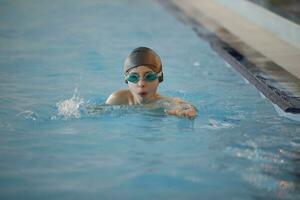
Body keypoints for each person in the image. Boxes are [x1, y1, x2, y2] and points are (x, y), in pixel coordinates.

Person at [105, 47, 197, 119]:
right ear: (126, 80)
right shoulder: (117, 99)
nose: (141, 84)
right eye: (133, 77)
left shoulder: (164, 104)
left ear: (159, 78)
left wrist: (187, 112)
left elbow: (185, 107)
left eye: (149, 76)